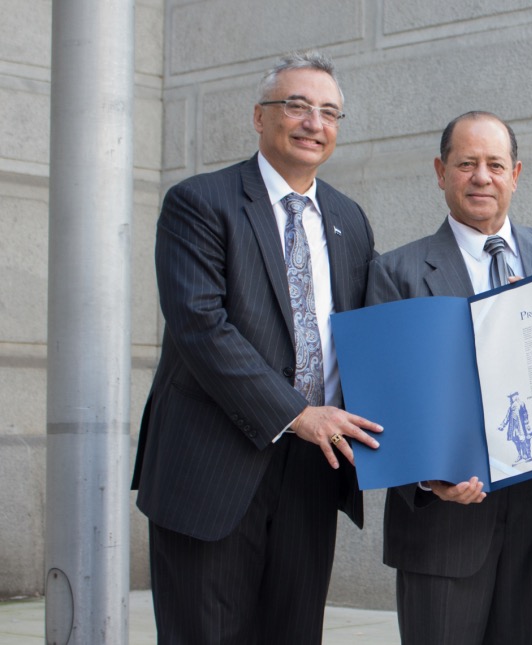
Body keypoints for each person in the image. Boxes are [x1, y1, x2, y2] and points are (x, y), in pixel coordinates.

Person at [131, 50, 382, 644]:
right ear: (259, 116)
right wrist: (296, 413)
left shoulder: (350, 219)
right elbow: (199, 325)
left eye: (328, 112)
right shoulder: (200, 203)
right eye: (296, 106)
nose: (313, 123)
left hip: (313, 470)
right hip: (212, 467)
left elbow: (367, 336)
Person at [366, 111, 532, 645]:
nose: (480, 177)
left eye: (494, 164)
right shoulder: (395, 272)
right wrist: (426, 477)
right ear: (441, 172)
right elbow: (383, 399)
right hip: (444, 521)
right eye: (466, 164)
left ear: (516, 173)